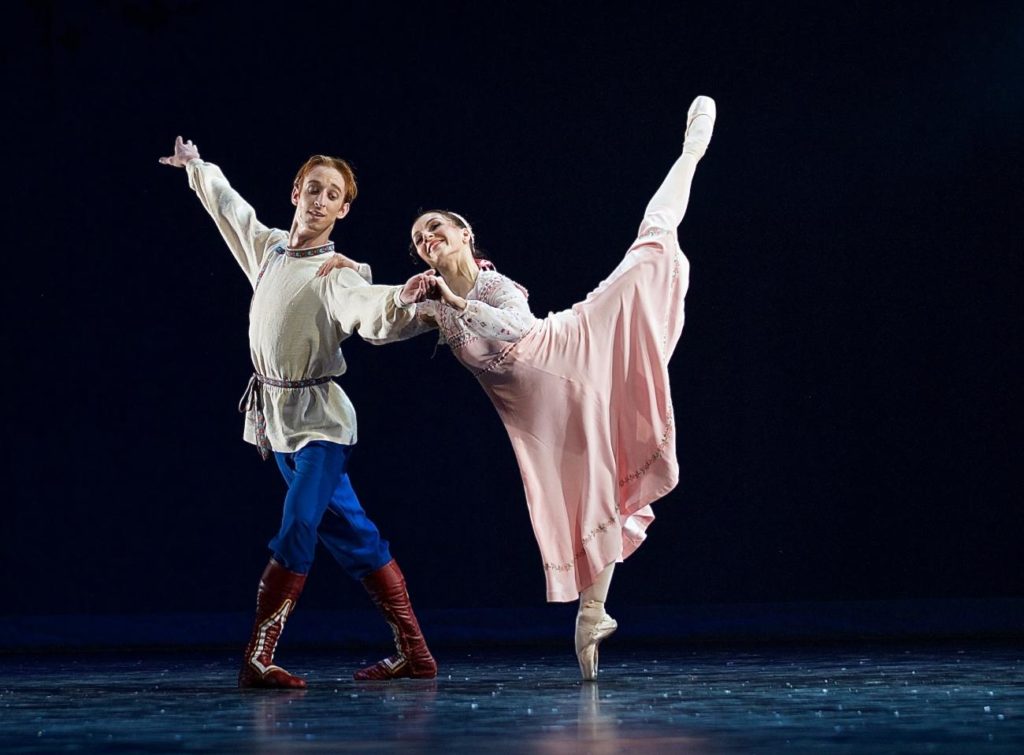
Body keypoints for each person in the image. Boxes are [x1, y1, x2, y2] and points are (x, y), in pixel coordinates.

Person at [323, 96, 715, 680]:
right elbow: (382, 321)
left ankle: (691, 150)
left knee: (652, 241)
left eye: (437, 228)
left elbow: (521, 330)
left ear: (463, 235)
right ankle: (592, 614)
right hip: (543, 414)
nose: (428, 237)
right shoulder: (436, 305)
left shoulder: (492, 283)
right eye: (419, 236)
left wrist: (453, 300)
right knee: (588, 495)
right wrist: (348, 272)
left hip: (572, 349)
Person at [159, 137, 438, 687]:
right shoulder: (269, 252)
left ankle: (257, 657)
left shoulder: (336, 273)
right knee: (356, 536)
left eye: (332, 194)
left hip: (323, 428)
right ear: (296, 192)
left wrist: (402, 300)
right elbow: (230, 209)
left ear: (343, 210)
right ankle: (416, 654)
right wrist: (197, 167)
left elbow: (368, 308)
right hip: (277, 424)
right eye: (313, 188)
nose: (319, 200)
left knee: (299, 524)